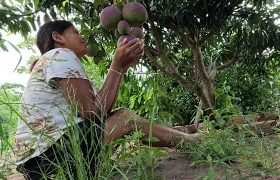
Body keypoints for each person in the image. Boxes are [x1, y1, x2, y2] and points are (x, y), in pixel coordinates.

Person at [13, 20, 199, 180]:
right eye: (75, 32)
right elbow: (93, 113)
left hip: (42, 166)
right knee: (125, 117)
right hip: (52, 159)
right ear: (58, 37)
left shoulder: (55, 63)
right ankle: (196, 144)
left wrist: (122, 67)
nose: (83, 36)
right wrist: (117, 65)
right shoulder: (60, 55)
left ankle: (179, 132)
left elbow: (102, 115)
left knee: (121, 116)